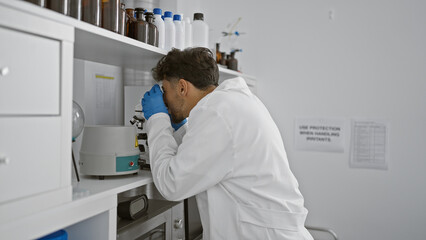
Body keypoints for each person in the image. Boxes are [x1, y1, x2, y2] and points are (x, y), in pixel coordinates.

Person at [141, 47, 313, 240]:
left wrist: (157, 118)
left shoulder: (217, 113)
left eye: (165, 91)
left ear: (182, 87)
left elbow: (171, 184)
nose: (164, 100)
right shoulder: (227, 105)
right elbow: (208, 156)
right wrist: (180, 128)